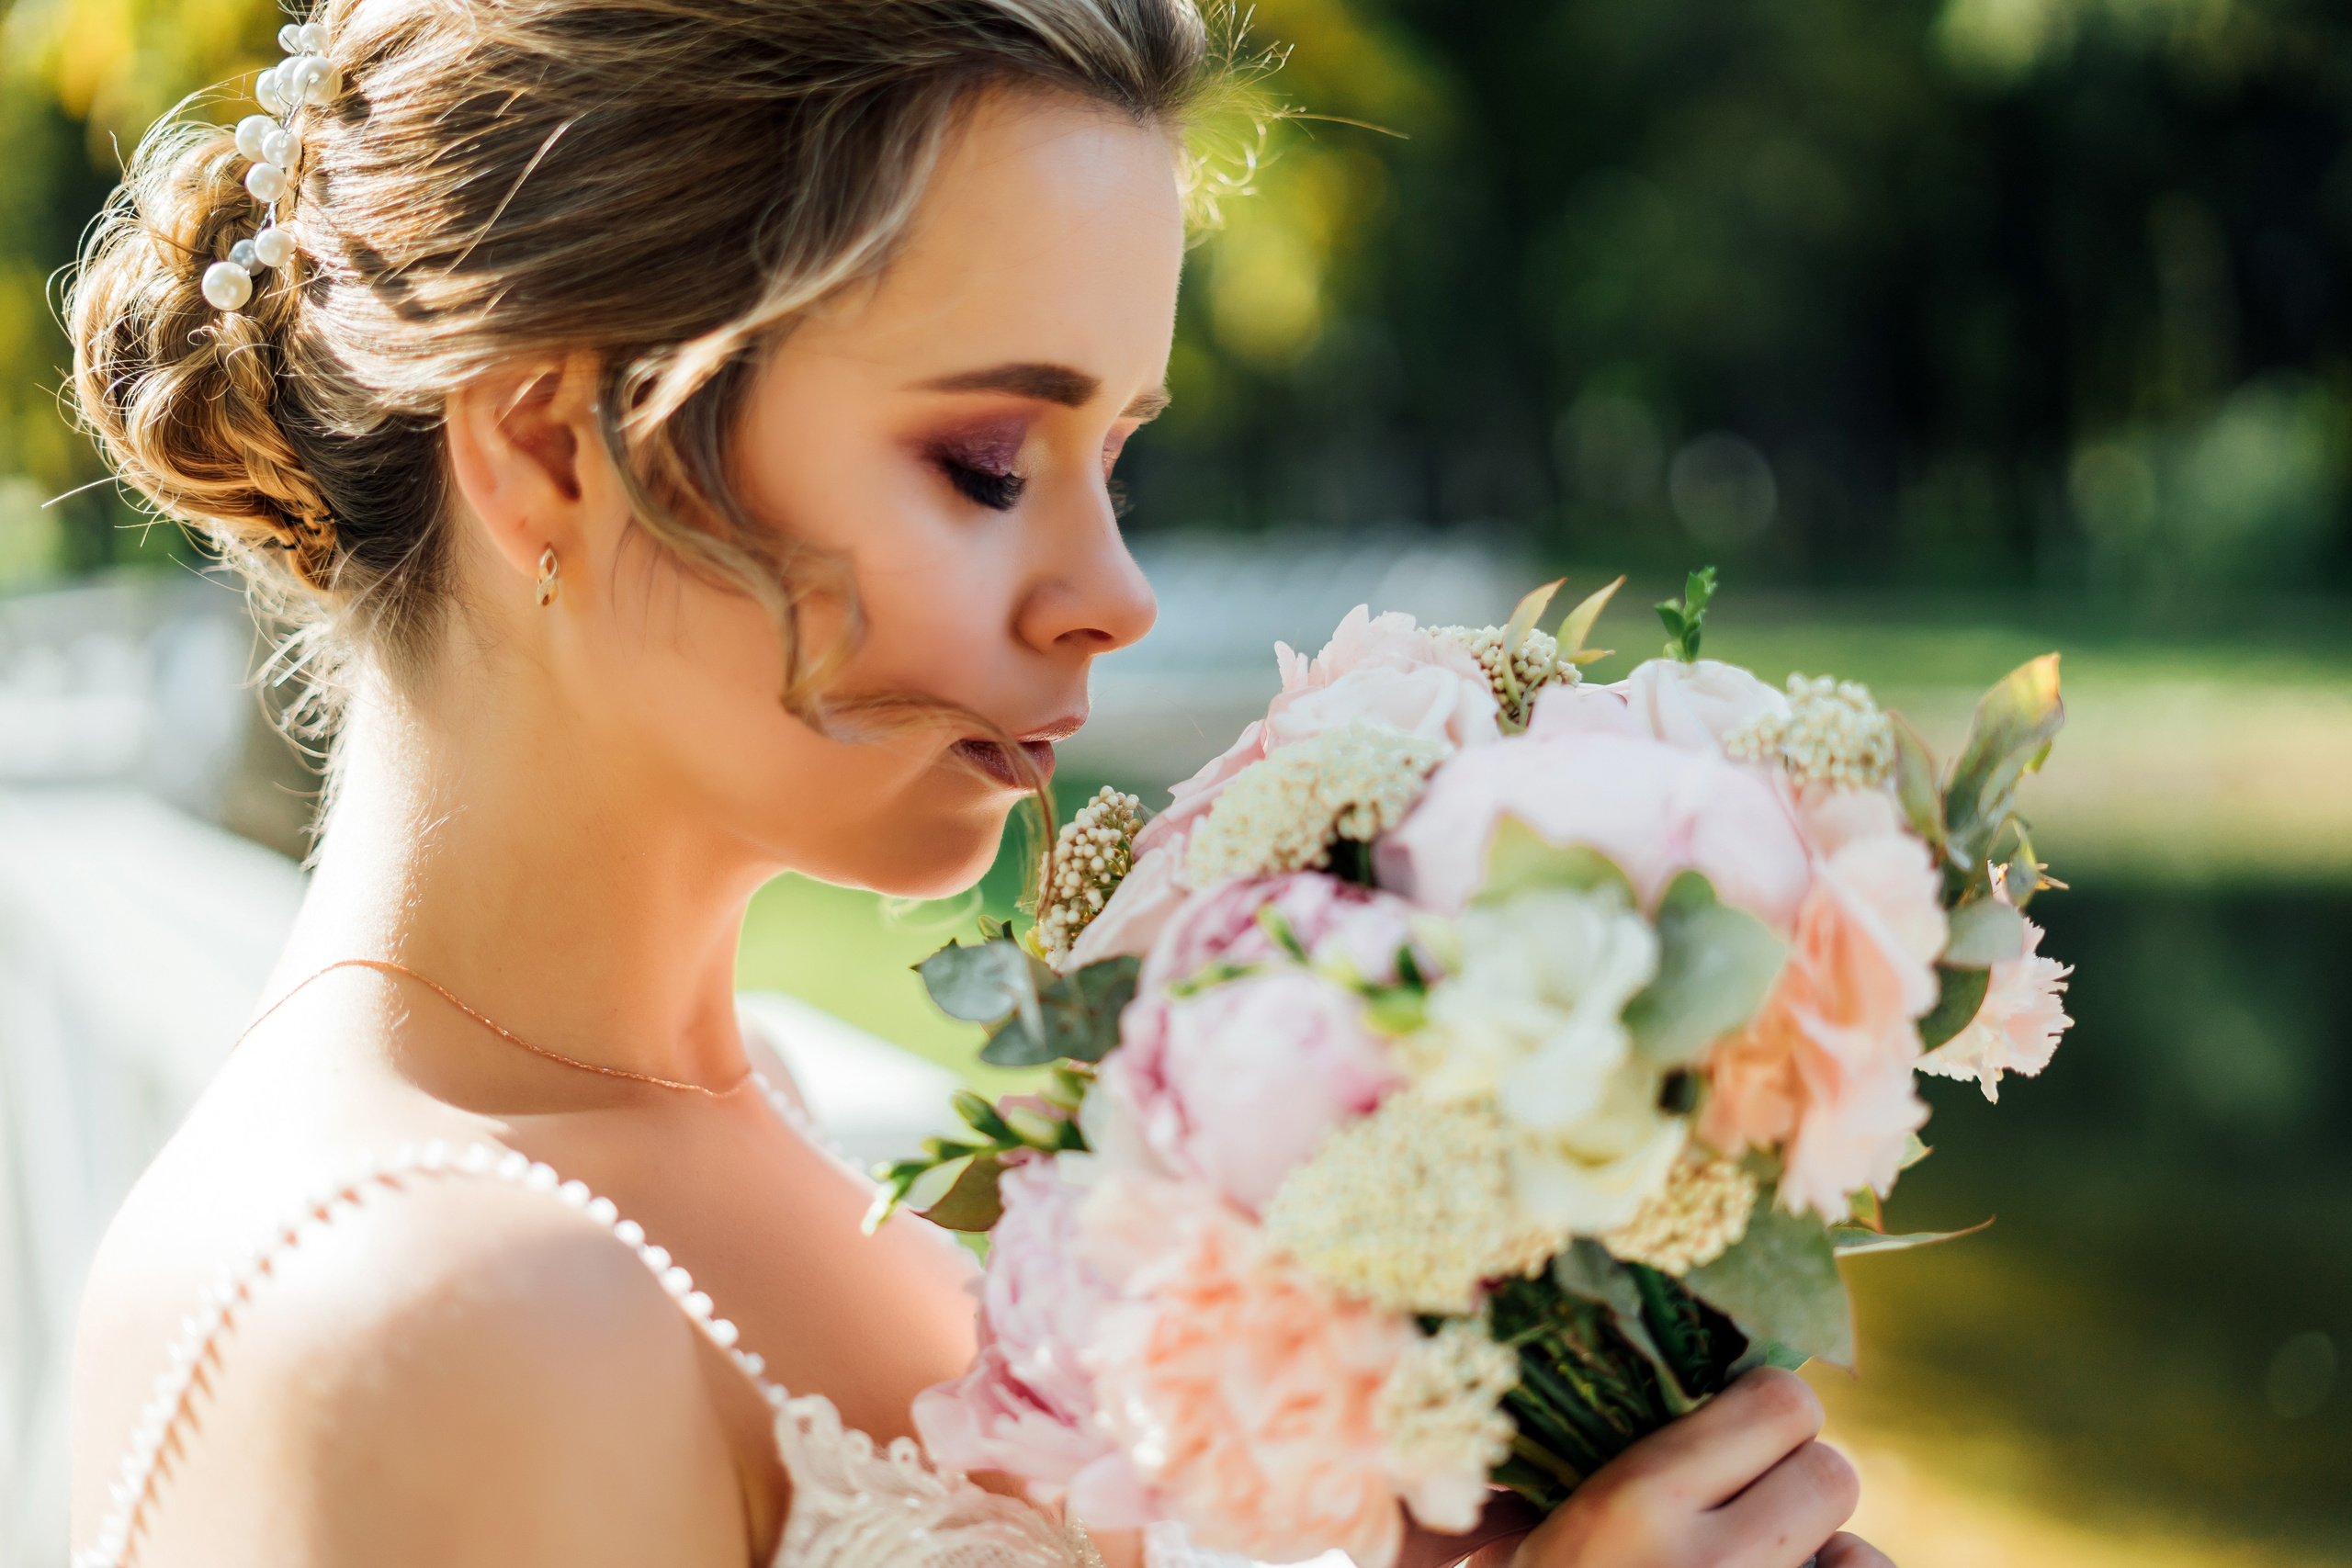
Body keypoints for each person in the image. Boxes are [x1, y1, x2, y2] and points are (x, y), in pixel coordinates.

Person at [63, 0, 1895, 1563]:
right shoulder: (439, 1316)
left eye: (1117, 458)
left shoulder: (742, 1102)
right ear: (550, 446)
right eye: (990, 460)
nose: (1114, 596)